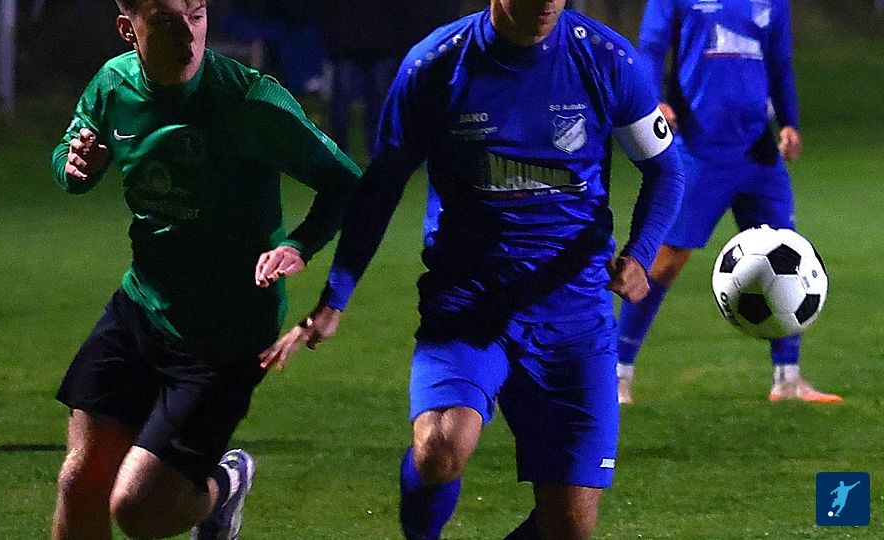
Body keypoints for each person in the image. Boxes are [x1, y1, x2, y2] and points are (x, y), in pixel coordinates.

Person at [261, 1, 684, 537]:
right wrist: (335, 298)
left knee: (570, 527)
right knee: (439, 449)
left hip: (573, 308)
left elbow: (665, 170)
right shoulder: (436, 64)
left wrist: (641, 255)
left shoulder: (607, 59)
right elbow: (381, 186)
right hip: (465, 299)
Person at [48, 1, 361, 538]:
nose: (188, 36)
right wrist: (76, 167)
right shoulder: (113, 85)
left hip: (226, 335)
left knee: (138, 510)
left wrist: (301, 245)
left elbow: (349, 185)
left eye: (196, 15)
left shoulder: (250, 101)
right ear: (128, 30)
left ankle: (224, 486)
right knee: (80, 480)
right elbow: (69, 157)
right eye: (166, 22)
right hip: (142, 307)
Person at [614, 0, 842, 405]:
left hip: (758, 152)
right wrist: (653, 102)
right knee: (666, 260)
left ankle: (788, 380)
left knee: (787, 256)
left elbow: (780, 61)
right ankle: (617, 373)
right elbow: (650, 49)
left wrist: (789, 121)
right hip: (698, 150)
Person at [321, 0, 462, 155]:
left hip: (376, 47)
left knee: (377, 107)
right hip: (356, 47)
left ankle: (374, 153)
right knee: (346, 106)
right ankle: (342, 152)